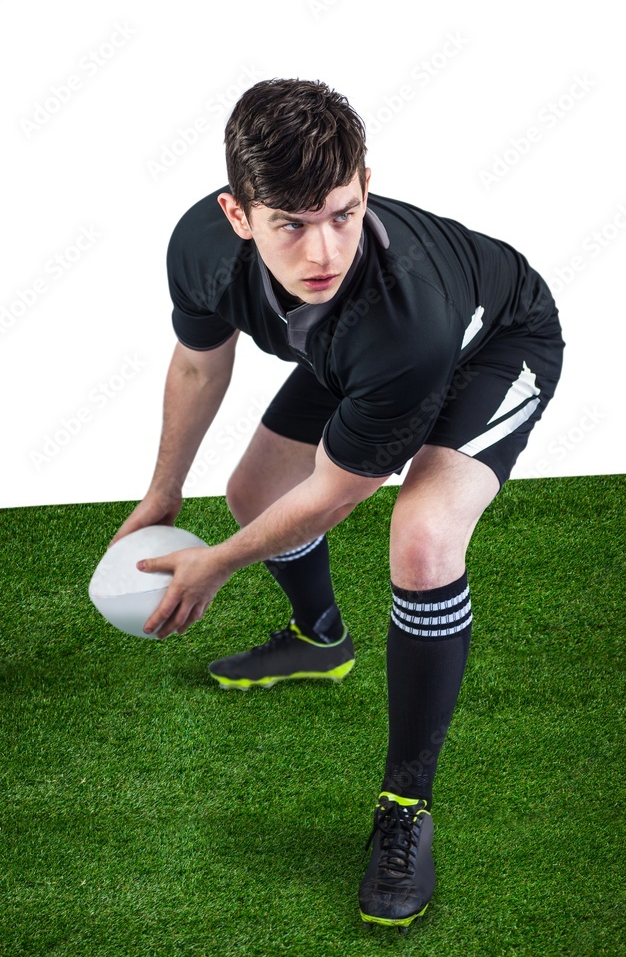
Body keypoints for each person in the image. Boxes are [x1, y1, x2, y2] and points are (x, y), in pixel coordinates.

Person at [111, 78, 564, 930]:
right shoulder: (200, 248)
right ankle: (320, 641)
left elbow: (328, 498)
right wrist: (164, 489)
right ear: (237, 216)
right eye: (290, 223)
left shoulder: (405, 316)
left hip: (491, 345)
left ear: (363, 184)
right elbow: (200, 364)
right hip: (363, 354)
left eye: (343, 212)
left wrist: (215, 564)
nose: (323, 250)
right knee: (249, 492)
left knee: (423, 539)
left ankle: (405, 806)